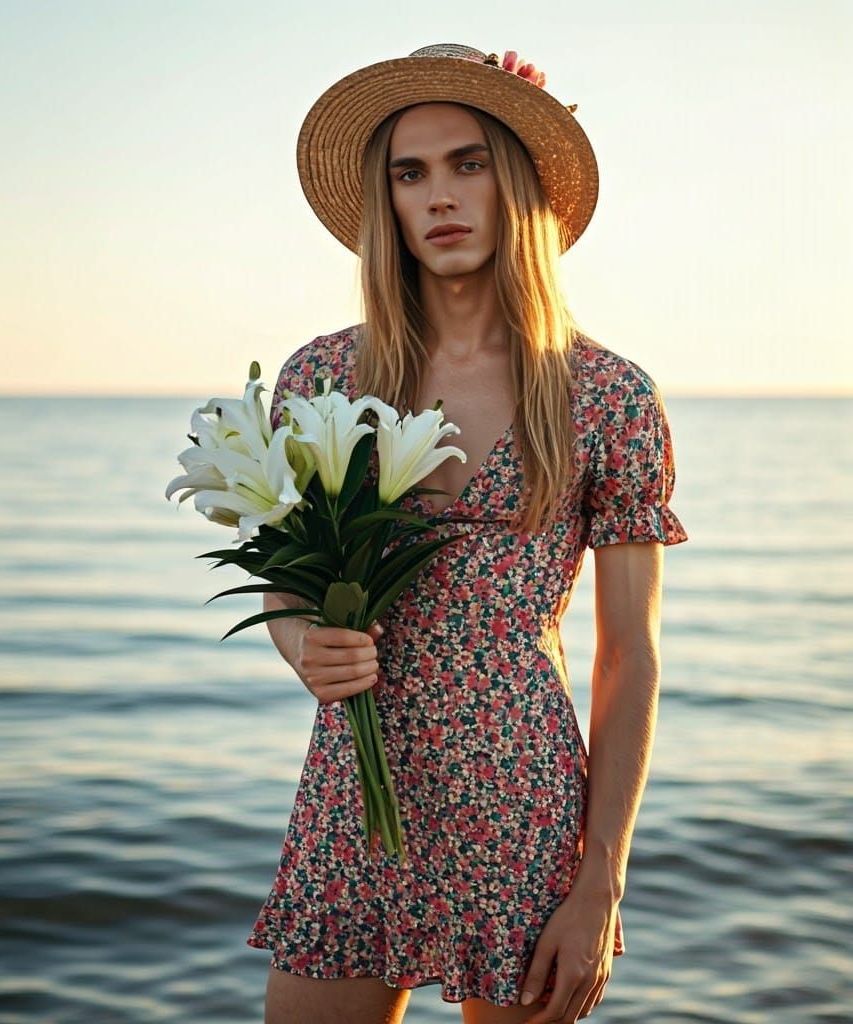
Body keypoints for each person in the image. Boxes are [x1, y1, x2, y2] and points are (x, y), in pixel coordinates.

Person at [246, 43, 689, 1024]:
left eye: (468, 163)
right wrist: (303, 647)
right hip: (354, 802)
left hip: (523, 806)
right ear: (385, 201)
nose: (439, 195)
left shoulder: (605, 396)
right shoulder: (321, 381)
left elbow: (631, 660)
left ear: (517, 183)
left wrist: (600, 882)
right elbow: (286, 587)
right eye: (410, 172)